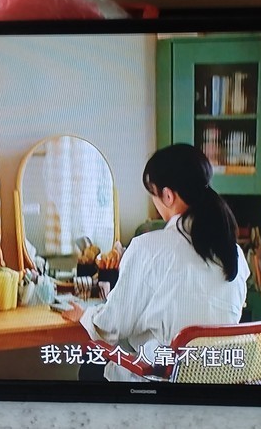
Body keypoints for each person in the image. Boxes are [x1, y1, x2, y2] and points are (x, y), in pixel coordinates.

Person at [61, 143, 249, 382]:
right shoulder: (233, 253)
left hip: (162, 381)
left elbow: (111, 327)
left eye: (153, 194)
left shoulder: (148, 247)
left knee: (91, 363)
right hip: (216, 382)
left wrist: (85, 315)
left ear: (168, 195)